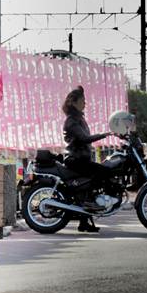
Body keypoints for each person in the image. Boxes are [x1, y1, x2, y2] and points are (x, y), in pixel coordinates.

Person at [62, 86, 110, 232]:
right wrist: (105, 134)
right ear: (74, 103)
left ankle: (84, 222)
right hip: (76, 160)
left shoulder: (78, 118)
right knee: (104, 171)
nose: (85, 103)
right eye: (83, 100)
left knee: (89, 184)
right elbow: (84, 138)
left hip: (81, 159)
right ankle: (90, 202)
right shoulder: (71, 121)